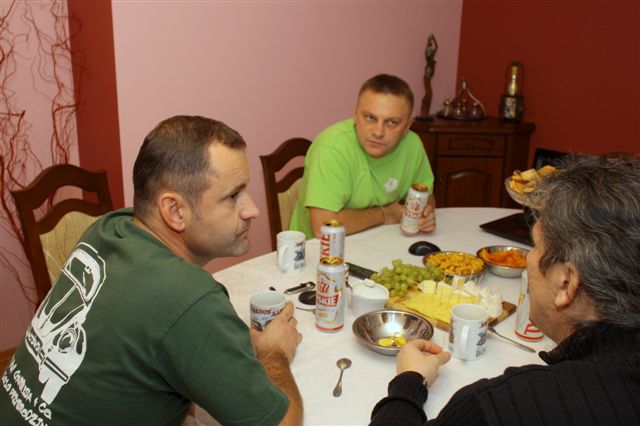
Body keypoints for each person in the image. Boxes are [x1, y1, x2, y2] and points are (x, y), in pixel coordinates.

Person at [0, 116, 303, 426]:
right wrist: (273, 353)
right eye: (233, 196)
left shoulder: (109, 228)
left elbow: (149, 343)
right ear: (174, 210)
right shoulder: (187, 297)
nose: (252, 210)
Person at [370, 154, 640, 425]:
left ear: (566, 284)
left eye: (535, 246)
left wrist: (408, 383)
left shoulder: (502, 406)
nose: (528, 259)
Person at [289, 74, 436, 239]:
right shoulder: (332, 148)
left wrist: (425, 214)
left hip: (380, 240)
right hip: (320, 249)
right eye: (370, 118)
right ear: (355, 115)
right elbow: (323, 226)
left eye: (391, 122)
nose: (378, 132)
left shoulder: (412, 144)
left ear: (407, 126)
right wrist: (384, 214)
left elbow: (427, 196)